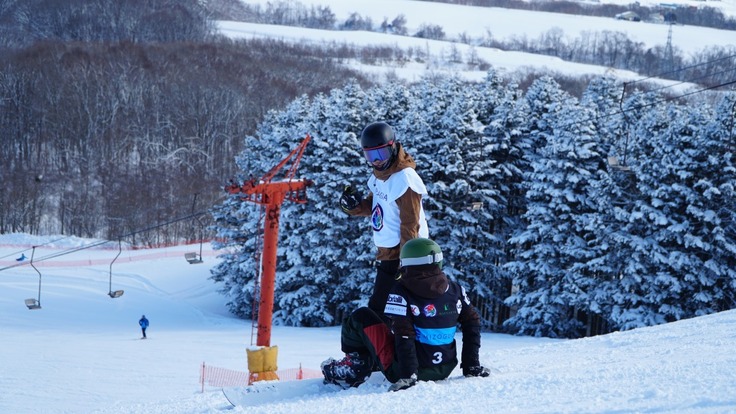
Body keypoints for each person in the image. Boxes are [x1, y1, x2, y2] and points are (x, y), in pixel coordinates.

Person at [321, 238, 490, 391]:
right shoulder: (456, 290)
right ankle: (371, 363)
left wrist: (408, 375)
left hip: (406, 371)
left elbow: (404, 333)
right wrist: (471, 365)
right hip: (445, 368)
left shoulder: (401, 291)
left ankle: (355, 367)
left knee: (362, 316)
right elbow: (472, 324)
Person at [340, 121, 429, 318]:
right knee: (383, 312)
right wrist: (354, 206)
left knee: (382, 312)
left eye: (381, 154)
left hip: (404, 257)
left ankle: (391, 348)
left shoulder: (405, 179)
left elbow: (410, 224)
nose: (377, 161)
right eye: (371, 156)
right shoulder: (380, 176)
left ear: (392, 148)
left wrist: (407, 265)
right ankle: (386, 348)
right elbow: (375, 207)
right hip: (388, 255)